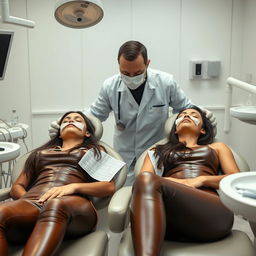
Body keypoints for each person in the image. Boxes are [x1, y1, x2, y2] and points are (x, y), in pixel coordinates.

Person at [49, 41, 216, 185]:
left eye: (137, 73)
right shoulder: (110, 86)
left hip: (156, 150)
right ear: (118, 65)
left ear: (147, 64)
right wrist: (66, 122)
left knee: (157, 192)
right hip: (124, 152)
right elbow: (94, 115)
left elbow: (185, 107)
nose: (131, 78)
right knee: (126, 196)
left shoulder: (165, 82)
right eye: (125, 73)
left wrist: (202, 114)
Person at [0, 111, 116, 256]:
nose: (70, 121)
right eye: (66, 120)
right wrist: (28, 200)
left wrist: (72, 187)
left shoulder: (92, 151)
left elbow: (108, 187)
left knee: (54, 204)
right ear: (60, 133)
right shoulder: (39, 154)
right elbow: (17, 187)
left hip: (73, 207)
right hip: (33, 203)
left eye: (77, 119)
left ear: (87, 133)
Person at [130, 105, 239, 256]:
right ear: (175, 129)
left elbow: (234, 179)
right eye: (182, 115)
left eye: (194, 115)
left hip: (212, 215)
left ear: (203, 130)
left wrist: (202, 180)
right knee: (144, 179)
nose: (187, 116)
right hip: (170, 220)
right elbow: (144, 180)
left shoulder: (217, 147)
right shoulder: (156, 151)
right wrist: (182, 183)